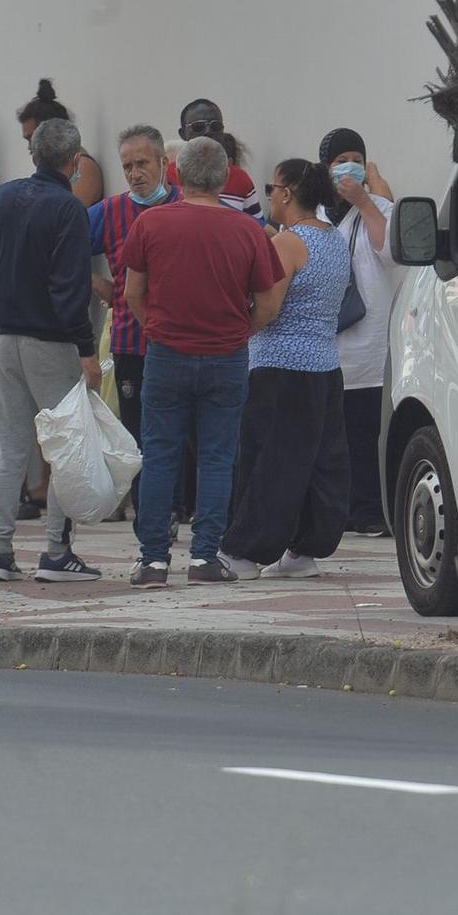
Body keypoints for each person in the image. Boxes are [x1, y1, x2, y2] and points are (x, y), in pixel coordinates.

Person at [117, 136, 283, 587]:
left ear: (175, 173)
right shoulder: (248, 230)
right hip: (226, 357)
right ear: (226, 175)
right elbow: (269, 299)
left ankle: (152, 560)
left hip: (167, 355)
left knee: (159, 456)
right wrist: (241, 330)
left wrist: (158, 328)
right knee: (216, 457)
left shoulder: (151, 224)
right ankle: (205, 557)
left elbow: (132, 293)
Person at [0, 118, 105, 582]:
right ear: (74, 162)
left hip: (5, 339)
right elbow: (69, 289)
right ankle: (55, 552)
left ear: (33, 155)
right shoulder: (68, 209)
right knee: (65, 447)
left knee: (9, 444)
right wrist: (87, 352)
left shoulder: (4, 196)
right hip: (51, 342)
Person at [219, 159, 353, 579]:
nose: (269, 195)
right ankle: (304, 550)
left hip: (279, 367)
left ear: (288, 193)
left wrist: (239, 332)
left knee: (267, 461)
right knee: (317, 462)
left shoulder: (287, 243)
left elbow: (270, 307)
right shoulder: (333, 238)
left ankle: (245, 553)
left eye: (271, 187)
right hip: (325, 367)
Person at [318, 127, 405, 536]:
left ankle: (369, 512)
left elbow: (389, 253)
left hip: (368, 346)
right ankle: (335, 513)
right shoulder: (314, 215)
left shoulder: (382, 207)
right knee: (331, 441)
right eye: (338, 160)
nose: (347, 165)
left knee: (366, 435)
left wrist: (365, 200)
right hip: (324, 345)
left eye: (355, 157)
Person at [89, 124, 180, 496]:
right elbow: (62, 249)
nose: (133, 173)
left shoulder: (186, 207)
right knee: (137, 434)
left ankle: (179, 504)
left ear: (163, 162)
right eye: (126, 166)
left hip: (182, 342)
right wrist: (104, 288)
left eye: (141, 163)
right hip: (131, 342)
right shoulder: (110, 211)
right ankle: (150, 517)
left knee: (180, 432)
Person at [167, 99, 261, 220]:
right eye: (198, 127)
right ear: (183, 133)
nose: (208, 132)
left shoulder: (241, 179)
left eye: (215, 126)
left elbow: (257, 227)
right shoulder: (166, 176)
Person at [18, 81, 103, 208]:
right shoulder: (52, 168)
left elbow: (68, 213)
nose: (30, 146)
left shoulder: (82, 166)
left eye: (31, 137)